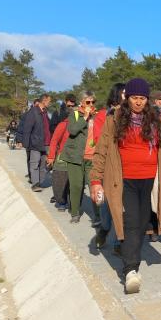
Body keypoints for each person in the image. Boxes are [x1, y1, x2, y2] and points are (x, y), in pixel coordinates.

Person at [90, 78, 161, 294]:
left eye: (142, 98)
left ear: (147, 100)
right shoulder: (115, 119)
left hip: (149, 180)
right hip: (124, 180)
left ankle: (128, 254)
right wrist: (95, 180)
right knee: (130, 222)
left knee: (141, 224)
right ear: (127, 98)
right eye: (134, 98)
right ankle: (131, 270)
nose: (138, 102)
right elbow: (102, 150)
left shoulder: (155, 119)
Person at [92, 83, 125, 251]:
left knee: (123, 206)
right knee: (107, 207)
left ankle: (120, 241)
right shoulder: (103, 116)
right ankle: (104, 230)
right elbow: (99, 140)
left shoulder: (132, 116)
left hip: (126, 169)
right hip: (108, 167)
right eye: (125, 94)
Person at [59, 91, 98, 224]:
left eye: (93, 102)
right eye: (88, 102)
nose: (91, 104)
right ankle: (75, 212)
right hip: (75, 157)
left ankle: (97, 217)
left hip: (93, 158)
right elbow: (73, 130)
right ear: (81, 102)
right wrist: (85, 117)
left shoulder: (98, 116)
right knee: (76, 186)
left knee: (94, 186)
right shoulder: (74, 114)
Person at [23, 94, 52, 191]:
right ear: (44, 101)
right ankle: (35, 184)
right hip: (36, 143)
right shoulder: (33, 112)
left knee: (43, 164)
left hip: (46, 143)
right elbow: (27, 128)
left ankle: (40, 181)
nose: (50, 103)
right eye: (49, 101)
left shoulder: (45, 112)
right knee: (34, 164)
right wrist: (26, 144)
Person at [47, 116, 71, 212]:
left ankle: (73, 203)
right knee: (60, 180)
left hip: (79, 157)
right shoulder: (63, 124)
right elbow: (54, 140)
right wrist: (51, 156)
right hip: (62, 155)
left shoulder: (85, 124)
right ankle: (61, 201)